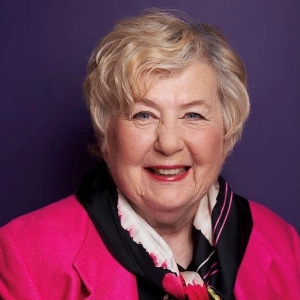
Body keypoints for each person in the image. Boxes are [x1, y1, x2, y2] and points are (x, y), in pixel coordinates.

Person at [0, 8, 299, 300]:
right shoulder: (23, 255)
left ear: (227, 133)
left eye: (193, 115)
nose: (168, 144)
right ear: (106, 133)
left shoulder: (286, 246)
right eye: (144, 115)